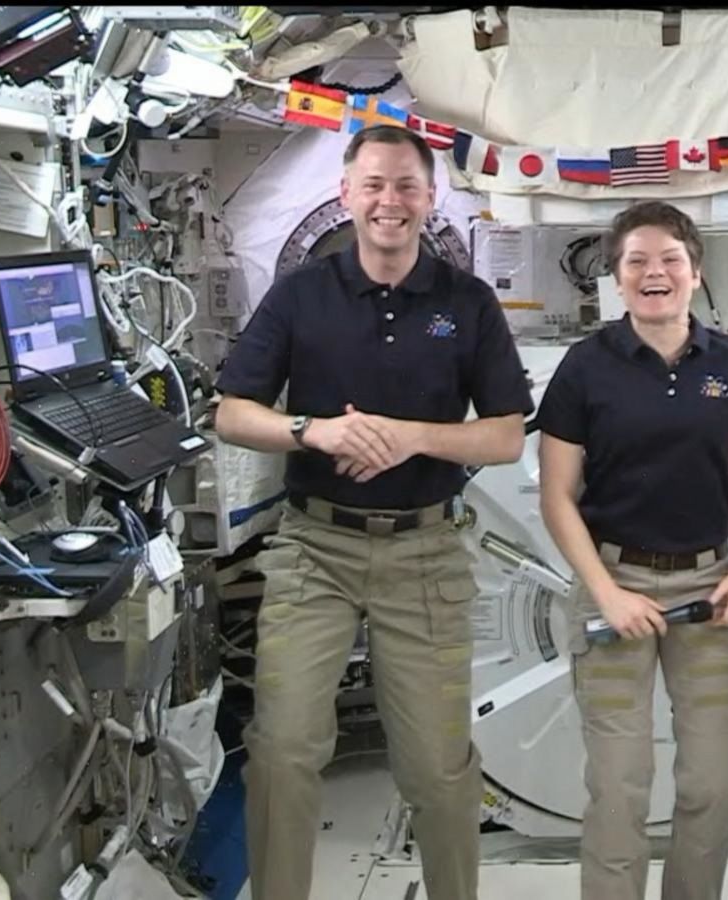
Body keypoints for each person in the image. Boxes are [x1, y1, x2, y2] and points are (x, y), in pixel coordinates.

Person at [213, 124, 533, 900]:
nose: (390, 201)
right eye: (375, 185)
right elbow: (231, 413)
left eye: (406, 186)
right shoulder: (301, 296)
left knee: (437, 763)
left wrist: (406, 439)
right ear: (347, 195)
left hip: (424, 554)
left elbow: (505, 436)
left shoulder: (467, 302)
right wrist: (313, 429)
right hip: (314, 548)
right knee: (283, 747)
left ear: (429, 198)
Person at [538, 201, 728, 900]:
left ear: (695, 273)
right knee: (619, 788)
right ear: (616, 279)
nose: (655, 272)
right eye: (637, 260)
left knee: (711, 778)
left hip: (707, 590)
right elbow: (558, 494)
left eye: (670, 259)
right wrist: (606, 592)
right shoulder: (586, 368)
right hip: (612, 579)